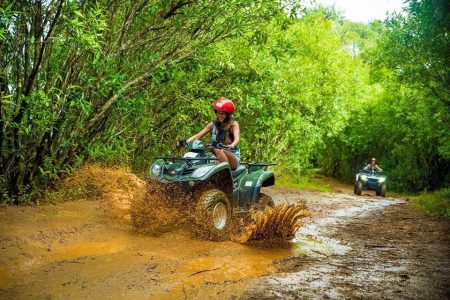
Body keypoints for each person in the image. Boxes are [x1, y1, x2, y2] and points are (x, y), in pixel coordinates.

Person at [185, 98, 240, 170]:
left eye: (222, 114)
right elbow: (198, 135)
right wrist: (186, 142)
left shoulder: (233, 124)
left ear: (228, 115)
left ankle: (225, 174)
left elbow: (237, 139)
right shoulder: (213, 124)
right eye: (218, 113)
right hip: (216, 155)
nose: (220, 115)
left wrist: (232, 145)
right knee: (204, 152)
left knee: (218, 149)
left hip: (232, 156)